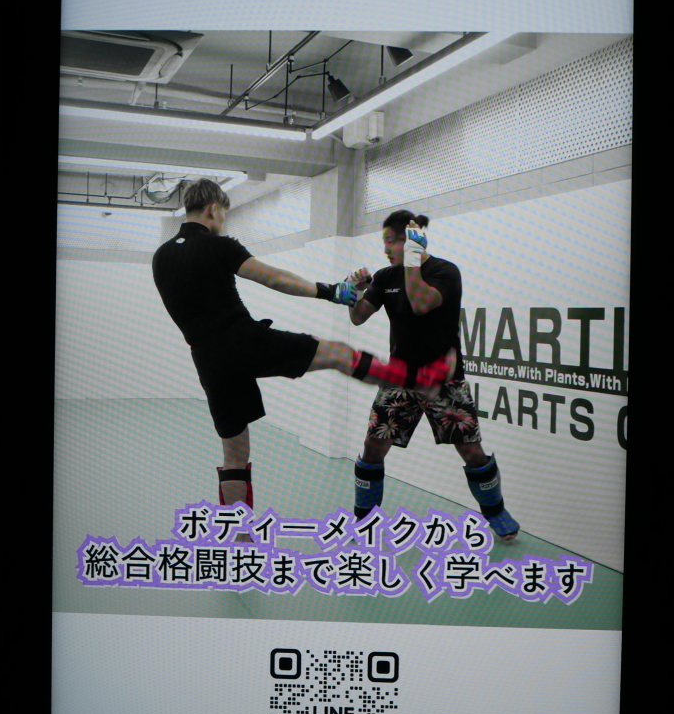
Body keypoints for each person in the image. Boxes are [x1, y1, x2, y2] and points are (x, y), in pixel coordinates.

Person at [152, 180, 455, 510]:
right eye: (222, 214)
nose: (222, 221)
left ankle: (238, 534)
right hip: (243, 341)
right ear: (213, 209)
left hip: (208, 360)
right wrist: (329, 291)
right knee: (338, 354)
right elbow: (276, 278)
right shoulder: (219, 246)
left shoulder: (161, 257)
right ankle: (415, 379)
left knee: (234, 455)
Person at [346, 210, 520, 540]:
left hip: (444, 380)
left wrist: (412, 258)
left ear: (409, 240)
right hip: (399, 378)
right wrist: (352, 293)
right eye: (384, 241)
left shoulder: (444, 271)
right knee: (372, 447)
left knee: (472, 451)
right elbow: (358, 317)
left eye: (391, 241)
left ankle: (496, 512)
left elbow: (420, 303)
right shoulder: (385, 276)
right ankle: (364, 520)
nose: (385, 249)